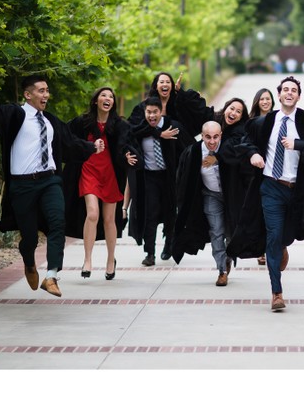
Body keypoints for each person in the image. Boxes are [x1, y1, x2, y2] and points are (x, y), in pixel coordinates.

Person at [0, 75, 102, 297]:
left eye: (47, 90)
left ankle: (52, 275)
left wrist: (91, 147)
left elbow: (69, 144)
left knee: (57, 223)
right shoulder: (14, 115)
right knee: (29, 237)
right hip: (23, 186)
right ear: (28, 94)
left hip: (50, 180)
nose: (46, 95)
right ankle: (29, 262)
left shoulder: (51, 121)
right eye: (41, 91)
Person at [227, 76, 304, 311]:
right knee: (273, 235)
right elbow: (245, 142)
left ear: (298, 96)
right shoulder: (264, 123)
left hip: (298, 190)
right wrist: (253, 154)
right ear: (279, 94)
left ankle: (281, 246)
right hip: (271, 186)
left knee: (287, 235)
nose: (289, 93)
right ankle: (277, 292)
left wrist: (298, 144)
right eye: (285, 89)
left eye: (293, 90)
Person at [63, 87, 131, 281]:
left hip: (110, 174)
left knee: (109, 219)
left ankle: (111, 260)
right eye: (103, 95)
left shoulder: (119, 125)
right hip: (89, 170)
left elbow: (128, 145)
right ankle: (88, 260)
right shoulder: (82, 122)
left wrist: (128, 155)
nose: (107, 98)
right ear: (96, 101)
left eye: (110, 96)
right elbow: (67, 138)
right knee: (92, 213)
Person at [125, 96, 191, 266]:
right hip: (149, 178)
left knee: (171, 214)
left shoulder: (173, 126)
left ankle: (169, 245)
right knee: (150, 215)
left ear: (161, 111)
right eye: (149, 112)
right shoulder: (141, 129)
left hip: (169, 178)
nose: (152, 116)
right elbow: (129, 138)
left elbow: (188, 149)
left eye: (155, 112)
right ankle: (150, 253)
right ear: (144, 112)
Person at [172, 121, 237, 285]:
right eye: (208, 137)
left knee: (231, 234)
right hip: (210, 195)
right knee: (216, 231)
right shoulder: (193, 152)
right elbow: (184, 179)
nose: (212, 141)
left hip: (231, 196)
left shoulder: (229, 147)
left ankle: (228, 256)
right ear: (202, 136)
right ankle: (222, 270)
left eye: (216, 137)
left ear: (221, 135)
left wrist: (217, 159)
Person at [248, 88, 275, 264]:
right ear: (257, 102)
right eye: (262, 99)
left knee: (272, 214)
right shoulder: (251, 122)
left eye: (268, 99)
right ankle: (261, 250)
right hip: (256, 174)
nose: (265, 102)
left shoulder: (279, 119)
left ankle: (273, 246)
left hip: (274, 172)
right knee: (259, 212)